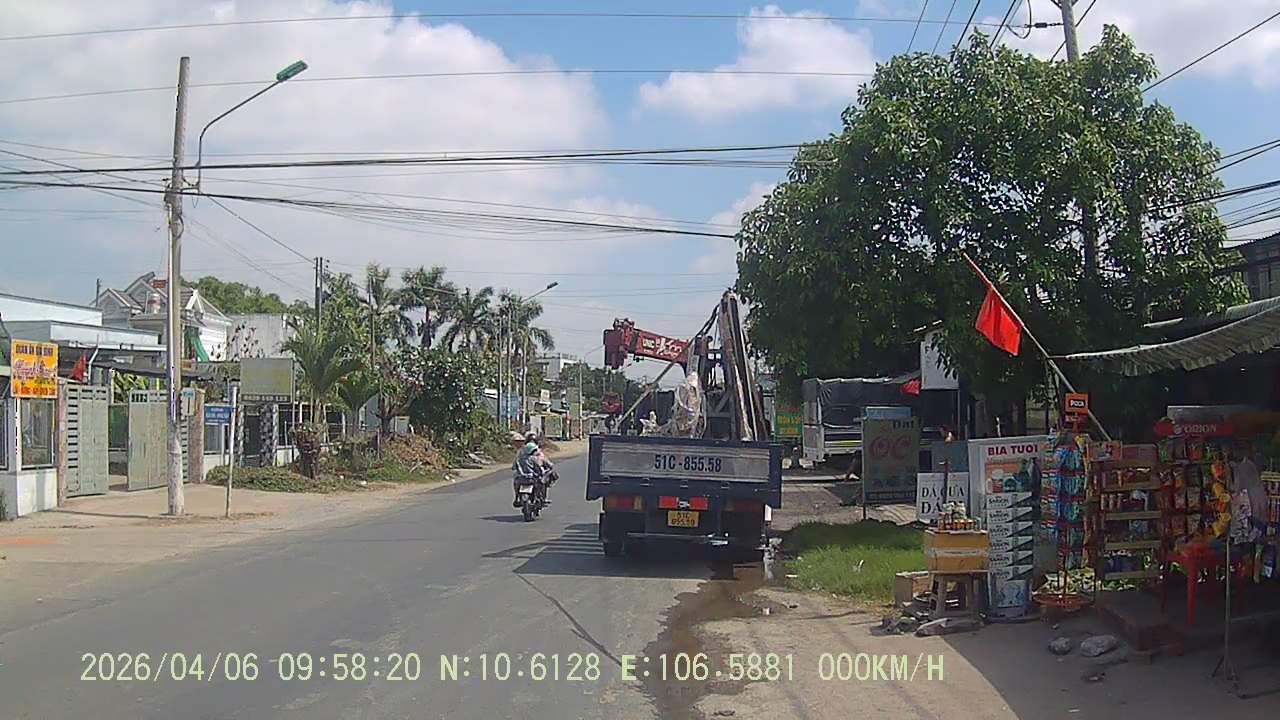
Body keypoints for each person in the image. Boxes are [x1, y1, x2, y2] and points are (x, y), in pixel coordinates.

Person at [512, 432, 554, 507]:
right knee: (542, 481)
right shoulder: (535, 455)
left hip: (523, 477)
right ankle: (541, 498)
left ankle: (517, 498)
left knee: (516, 481)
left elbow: (514, 466)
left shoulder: (521, 454)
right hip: (532, 477)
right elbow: (544, 464)